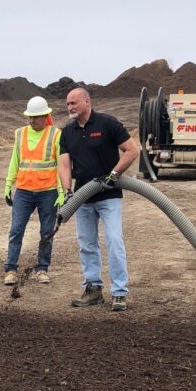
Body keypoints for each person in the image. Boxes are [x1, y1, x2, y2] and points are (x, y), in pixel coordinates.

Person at [57, 88, 140, 312]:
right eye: (68, 104)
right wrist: (67, 191)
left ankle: (119, 292)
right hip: (82, 197)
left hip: (108, 195)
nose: (69, 107)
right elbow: (64, 164)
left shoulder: (107, 123)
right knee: (87, 244)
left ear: (87, 101)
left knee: (114, 240)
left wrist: (113, 175)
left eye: (73, 103)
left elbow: (132, 150)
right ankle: (93, 289)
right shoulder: (67, 132)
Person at [2, 96, 65, 285]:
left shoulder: (55, 134)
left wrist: (61, 191)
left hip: (48, 191)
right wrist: (8, 184)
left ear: (46, 116)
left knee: (47, 232)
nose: (32, 120)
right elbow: (15, 160)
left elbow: (61, 165)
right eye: (30, 117)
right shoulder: (20, 134)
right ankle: (11, 269)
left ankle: (42, 268)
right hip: (23, 191)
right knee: (16, 230)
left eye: (36, 117)